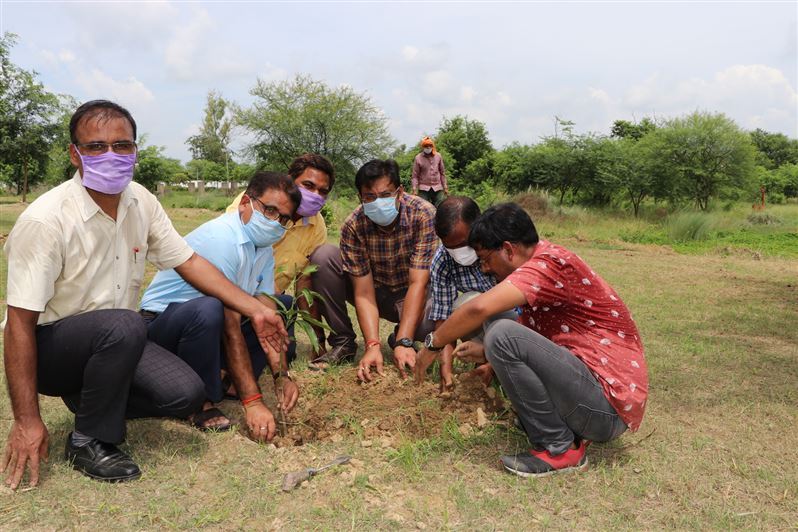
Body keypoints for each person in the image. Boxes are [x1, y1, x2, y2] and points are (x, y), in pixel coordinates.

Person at [1, 100, 287, 488]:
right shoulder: (46, 220)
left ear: (135, 151)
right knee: (125, 323)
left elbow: (189, 262)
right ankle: (88, 440)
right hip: (54, 350)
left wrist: (256, 309)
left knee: (186, 394)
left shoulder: (141, 201)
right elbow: (18, 324)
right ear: (74, 154)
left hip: (114, 342)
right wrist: (27, 420)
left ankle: (93, 400)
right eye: (95, 146)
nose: (111, 155)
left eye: (122, 146)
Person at [416, 203, 648, 477]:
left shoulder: (548, 265)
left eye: (486, 259)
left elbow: (477, 309)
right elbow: (533, 337)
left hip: (606, 411)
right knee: (497, 325)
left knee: (500, 332)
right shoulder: (540, 260)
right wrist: (487, 353)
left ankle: (560, 447)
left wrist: (433, 344)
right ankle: (553, 425)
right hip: (588, 396)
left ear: (508, 249)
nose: (485, 268)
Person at [140, 171, 302, 441]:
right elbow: (230, 326)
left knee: (280, 305)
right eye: (269, 210)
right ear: (245, 203)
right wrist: (253, 401)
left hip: (207, 328)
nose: (275, 221)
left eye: (284, 218)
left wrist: (280, 376)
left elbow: (266, 316)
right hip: (164, 328)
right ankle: (198, 402)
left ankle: (225, 380)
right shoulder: (223, 239)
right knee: (210, 308)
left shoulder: (263, 248)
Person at [311, 159, 438, 380]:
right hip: (375, 292)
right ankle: (343, 342)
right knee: (323, 257)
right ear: (361, 198)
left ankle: (400, 336)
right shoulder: (354, 224)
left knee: (429, 328)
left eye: (385, 195)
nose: (378, 202)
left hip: (410, 292)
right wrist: (371, 345)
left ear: (400, 193)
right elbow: (363, 291)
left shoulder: (423, 214)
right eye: (369, 197)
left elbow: (419, 282)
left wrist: (405, 341)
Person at [428, 196, 497, 390]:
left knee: (476, 303)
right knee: (463, 306)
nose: (460, 252)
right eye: (451, 247)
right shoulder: (442, 262)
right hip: (486, 327)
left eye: (465, 244)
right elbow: (443, 321)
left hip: (518, 320)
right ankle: (485, 361)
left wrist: (494, 360)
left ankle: (497, 359)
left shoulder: (499, 247)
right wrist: (446, 369)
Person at [411, 136, 447, 207]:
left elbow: (442, 173)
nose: (428, 148)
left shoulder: (438, 156)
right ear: (423, 147)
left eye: (429, 146)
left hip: (437, 187)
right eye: (426, 146)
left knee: (440, 206)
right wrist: (414, 189)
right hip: (424, 187)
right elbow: (415, 175)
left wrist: (445, 186)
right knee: (423, 207)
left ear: (432, 146)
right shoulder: (418, 158)